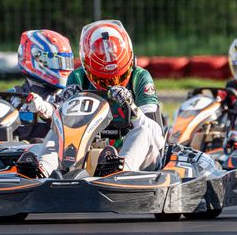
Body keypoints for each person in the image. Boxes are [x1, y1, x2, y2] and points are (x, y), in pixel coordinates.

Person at [16, 20, 164, 177]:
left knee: (144, 131)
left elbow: (155, 132)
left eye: (117, 79)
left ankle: (120, 172)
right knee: (59, 126)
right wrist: (51, 107)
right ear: (88, 69)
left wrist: (132, 109)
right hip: (94, 151)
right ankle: (42, 171)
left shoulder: (140, 77)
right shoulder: (78, 77)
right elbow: (63, 120)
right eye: (103, 81)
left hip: (140, 157)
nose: (109, 85)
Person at [0, 29, 73, 141]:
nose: (61, 67)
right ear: (33, 58)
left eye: (64, 62)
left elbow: (69, 120)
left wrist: (45, 108)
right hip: (11, 152)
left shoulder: (65, 96)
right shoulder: (14, 95)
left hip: (46, 151)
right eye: (55, 61)